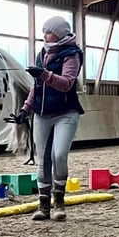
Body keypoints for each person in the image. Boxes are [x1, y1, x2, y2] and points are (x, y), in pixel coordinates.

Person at [15, 16, 84, 221]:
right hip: (41, 113)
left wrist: (44, 74)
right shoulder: (41, 54)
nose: (45, 36)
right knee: (43, 158)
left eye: (49, 32)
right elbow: (36, 87)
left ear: (60, 34)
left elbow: (67, 83)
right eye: (44, 32)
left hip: (66, 113)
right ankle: (44, 205)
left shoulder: (72, 54)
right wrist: (25, 108)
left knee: (59, 154)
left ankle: (59, 201)